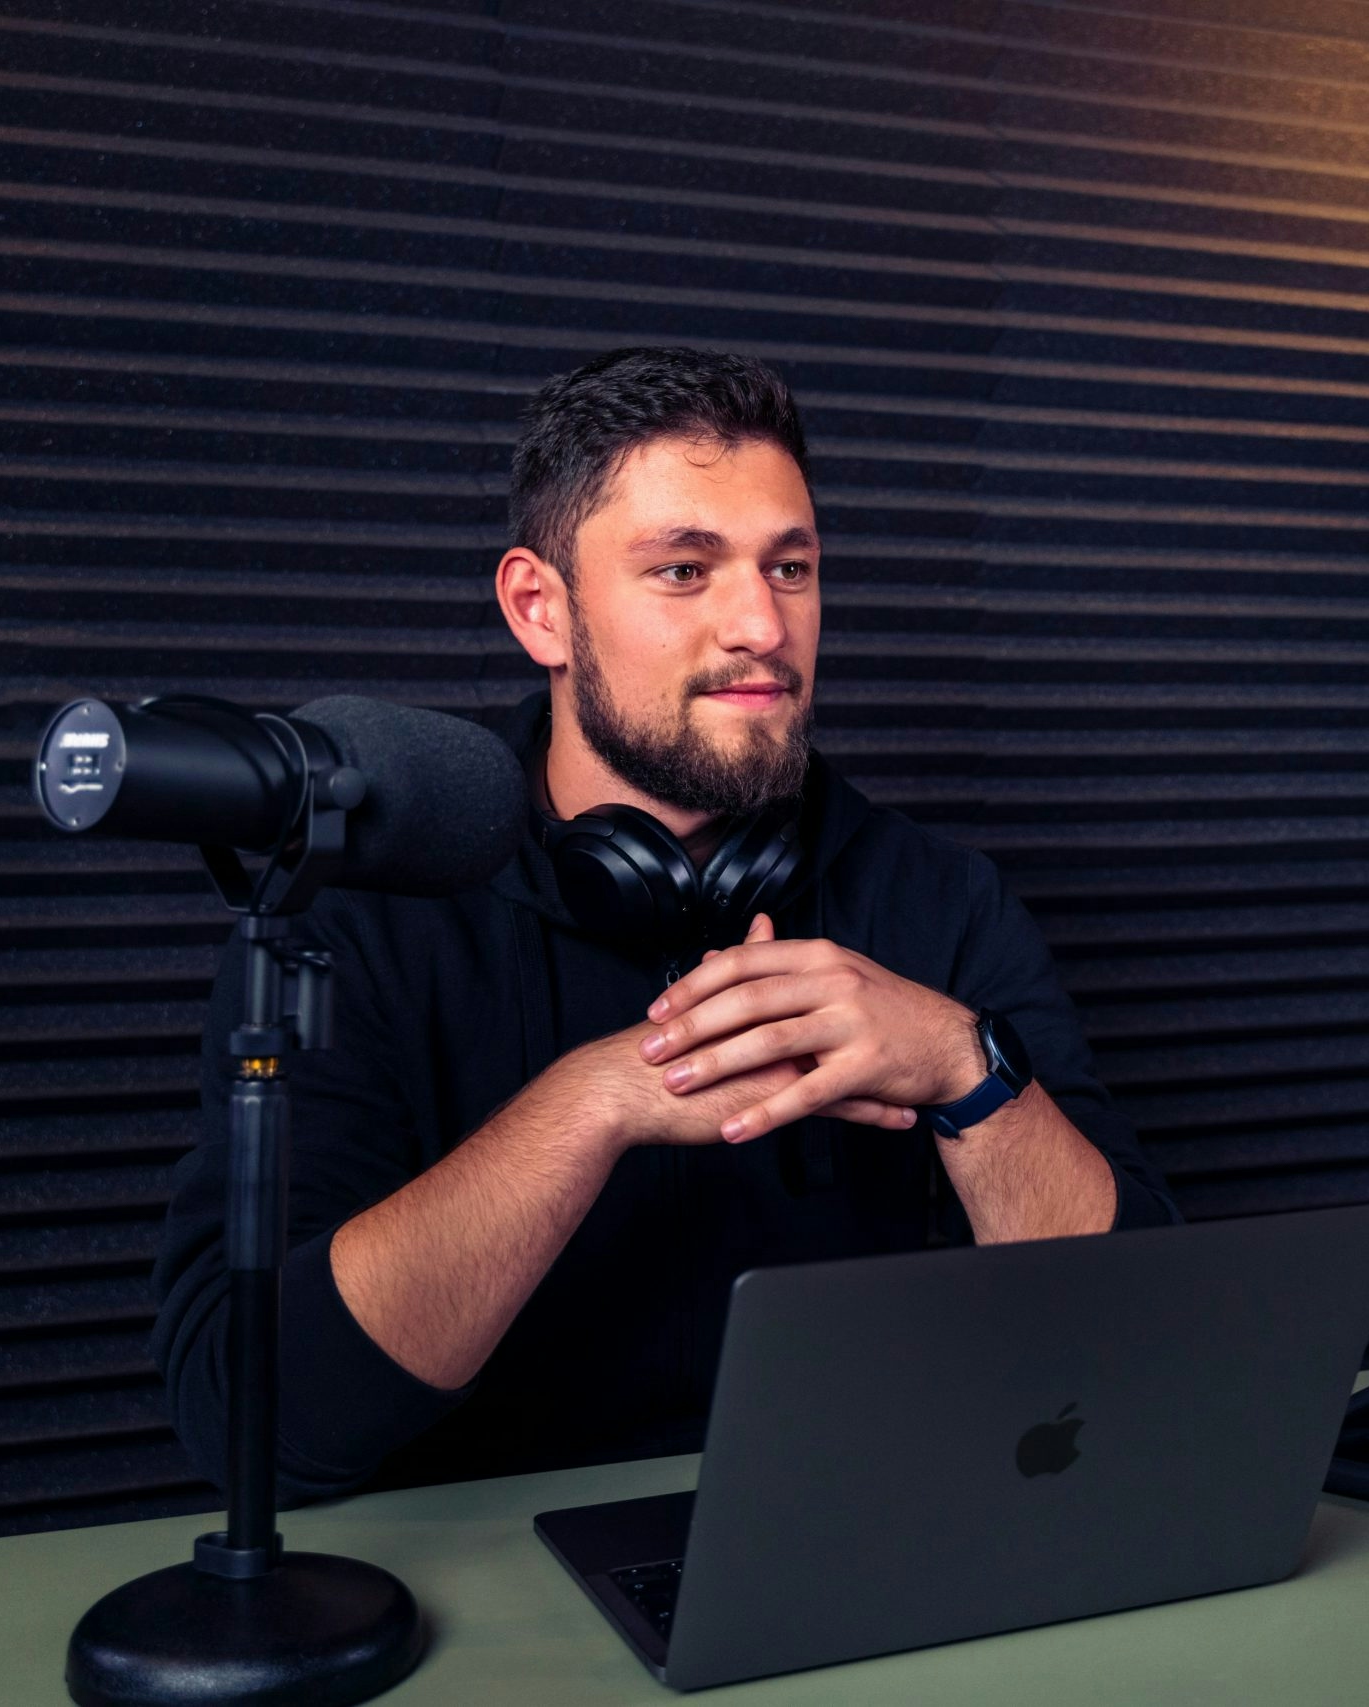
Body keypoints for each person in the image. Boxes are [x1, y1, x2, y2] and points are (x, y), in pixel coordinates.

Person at [148, 348, 1179, 1503]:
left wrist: (964, 1066)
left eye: (789, 568)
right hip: (487, 1569)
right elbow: (257, 1420)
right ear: (541, 610)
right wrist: (591, 1106)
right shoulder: (360, 919)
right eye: (684, 570)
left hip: (866, 1532)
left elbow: (1138, 1350)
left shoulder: (936, 901)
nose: (761, 624)